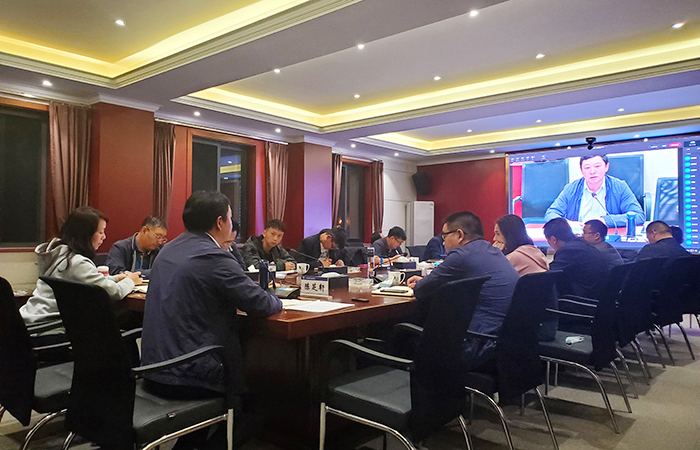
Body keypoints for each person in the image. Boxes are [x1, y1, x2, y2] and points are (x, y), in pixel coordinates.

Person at [140, 191, 282, 450]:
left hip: (151, 366)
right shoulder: (213, 255)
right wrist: (279, 300)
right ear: (219, 222)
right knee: (263, 401)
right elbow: (260, 303)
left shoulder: (168, 249)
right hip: (187, 374)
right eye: (230, 218)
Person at [407, 212, 519, 371]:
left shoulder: (461, 255)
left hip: (477, 344)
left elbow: (420, 290)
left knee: (406, 335)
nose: (443, 242)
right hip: (504, 341)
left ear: (459, 235)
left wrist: (425, 282)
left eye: (444, 236)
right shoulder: (492, 250)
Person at [20, 206, 142, 329]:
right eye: (100, 232)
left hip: (29, 321)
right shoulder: (77, 263)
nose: (104, 237)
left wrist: (117, 278)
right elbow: (114, 292)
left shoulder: (59, 254)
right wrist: (130, 280)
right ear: (86, 234)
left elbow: (87, 282)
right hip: (49, 327)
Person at [544, 155, 645, 227]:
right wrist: (568, 224)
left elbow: (638, 216)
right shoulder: (571, 189)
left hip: (608, 240)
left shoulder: (619, 187)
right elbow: (551, 214)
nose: (592, 172)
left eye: (597, 166)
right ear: (581, 170)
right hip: (579, 240)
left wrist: (605, 221)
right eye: (587, 168)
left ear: (606, 167)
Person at [544, 218, 609, 299]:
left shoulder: (569, 250)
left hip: (585, 300)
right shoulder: (581, 244)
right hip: (598, 295)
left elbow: (549, 276)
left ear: (553, 240)